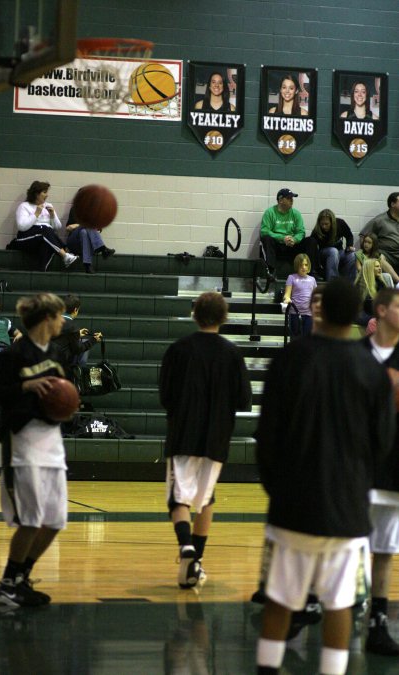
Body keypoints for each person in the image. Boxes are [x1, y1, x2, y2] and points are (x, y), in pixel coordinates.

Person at [255, 278, 396, 675]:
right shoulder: (371, 370)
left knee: (280, 598)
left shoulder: (288, 359)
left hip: (292, 504)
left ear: (319, 308)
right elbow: (382, 442)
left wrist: (277, 489)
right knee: (340, 602)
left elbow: (266, 438)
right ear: (357, 315)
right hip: (347, 506)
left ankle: (266, 668)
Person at [159, 292, 251, 589]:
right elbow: (244, 399)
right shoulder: (233, 353)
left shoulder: (178, 349)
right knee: (206, 496)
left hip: (184, 432)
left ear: (194, 314)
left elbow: (166, 396)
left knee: (179, 497)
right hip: (217, 435)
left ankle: (186, 546)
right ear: (223, 318)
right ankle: (194, 563)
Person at [0, 293, 68, 608]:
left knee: (55, 520)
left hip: (52, 440)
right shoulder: (13, 355)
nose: (62, 322)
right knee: (31, 519)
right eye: (59, 316)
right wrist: (23, 387)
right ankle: (6, 585)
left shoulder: (56, 354)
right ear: (48, 318)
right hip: (24, 441)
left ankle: (21, 578)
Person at [360, 288, 399, 656]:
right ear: (382, 309)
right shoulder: (356, 355)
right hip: (355, 465)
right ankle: (310, 601)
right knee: (340, 541)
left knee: (385, 549)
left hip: (393, 467)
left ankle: (378, 623)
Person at [11, 181, 78, 272]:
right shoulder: (24, 206)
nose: (47, 195)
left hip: (42, 238)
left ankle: (41, 271)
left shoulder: (48, 206)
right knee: (45, 230)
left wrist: (52, 216)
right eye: (44, 192)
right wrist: (36, 214)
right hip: (25, 239)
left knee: (46, 244)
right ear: (36, 194)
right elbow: (21, 226)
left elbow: (58, 227)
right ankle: (65, 255)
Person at [51, 294, 102, 380]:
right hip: (62, 365)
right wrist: (93, 340)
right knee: (83, 347)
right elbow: (77, 349)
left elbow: (61, 337)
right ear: (75, 310)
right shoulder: (72, 327)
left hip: (46, 361)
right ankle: (80, 378)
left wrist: (78, 334)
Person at [260, 188, 305, 281]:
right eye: (289, 198)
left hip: (292, 245)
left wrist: (294, 239)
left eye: (292, 198)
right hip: (277, 244)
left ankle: (310, 272)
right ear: (280, 200)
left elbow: (301, 232)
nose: (292, 200)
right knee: (267, 238)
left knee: (310, 241)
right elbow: (264, 231)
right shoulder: (270, 212)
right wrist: (282, 238)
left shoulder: (296, 213)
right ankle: (271, 272)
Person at [66, 201, 115, 275]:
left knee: (84, 232)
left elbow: (99, 230)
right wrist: (81, 225)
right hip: (74, 241)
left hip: (87, 244)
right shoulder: (74, 210)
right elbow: (69, 228)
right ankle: (102, 249)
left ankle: (87, 265)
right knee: (87, 225)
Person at [309, 209, 356, 281]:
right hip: (324, 255)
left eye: (326, 224)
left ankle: (348, 283)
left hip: (339, 252)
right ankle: (332, 282)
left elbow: (349, 235)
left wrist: (349, 246)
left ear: (332, 222)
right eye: (322, 224)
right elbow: (312, 247)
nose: (324, 226)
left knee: (352, 255)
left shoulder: (340, 223)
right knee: (333, 251)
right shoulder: (317, 231)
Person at [359, 193, 399, 275]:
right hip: (386, 254)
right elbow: (363, 236)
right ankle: (398, 281)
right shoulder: (379, 220)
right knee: (380, 257)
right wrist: (367, 252)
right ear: (392, 204)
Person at [283, 253, 316, 337]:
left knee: (307, 338)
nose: (304, 267)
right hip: (295, 313)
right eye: (301, 265)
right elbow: (287, 294)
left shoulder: (312, 279)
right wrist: (287, 299)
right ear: (297, 266)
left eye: (306, 265)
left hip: (309, 314)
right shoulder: (291, 277)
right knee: (295, 337)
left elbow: (315, 296)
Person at [355, 258, 390, 325]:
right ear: (369, 269)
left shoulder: (381, 283)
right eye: (377, 266)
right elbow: (359, 313)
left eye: (380, 266)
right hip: (365, 318)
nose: (380, 268)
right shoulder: (360, 286)